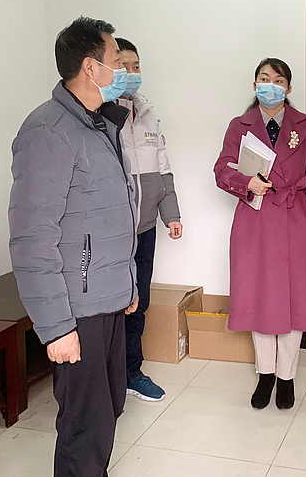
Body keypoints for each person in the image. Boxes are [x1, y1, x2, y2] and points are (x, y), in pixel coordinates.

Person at [8, 16, 139, 477]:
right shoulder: (48, 131)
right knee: (86, 426)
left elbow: (108, 215)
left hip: (106, 298)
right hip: (76, 307)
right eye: (116, 60)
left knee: (109, 408)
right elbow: (31, 238)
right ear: (90, 67)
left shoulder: (99, 125)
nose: (122, 70)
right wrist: (57, 327)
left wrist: (127, 285)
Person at [214, 58, 306, 410]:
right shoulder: (239, 125)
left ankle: (287, 376)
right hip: (255, 221)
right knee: (258, 296)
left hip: (295, 219)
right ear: (255, 85)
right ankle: (265, 374)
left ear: (288, 88)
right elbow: (221, 169)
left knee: (296, 299)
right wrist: (245, 183)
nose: (271, 85)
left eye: (278, 80)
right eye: (264, 79)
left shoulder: (305, 124)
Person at [115, 37, 183, 402]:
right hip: (113, 233)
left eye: (136, 66)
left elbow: (163, 170)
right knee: (113, 305)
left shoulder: (148, 113)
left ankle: (131, 372)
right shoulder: (101, 115)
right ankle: (109, 376)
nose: (131, 72)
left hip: (145, 229)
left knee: (139, 302)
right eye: (123, 66)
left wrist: (171, 215)